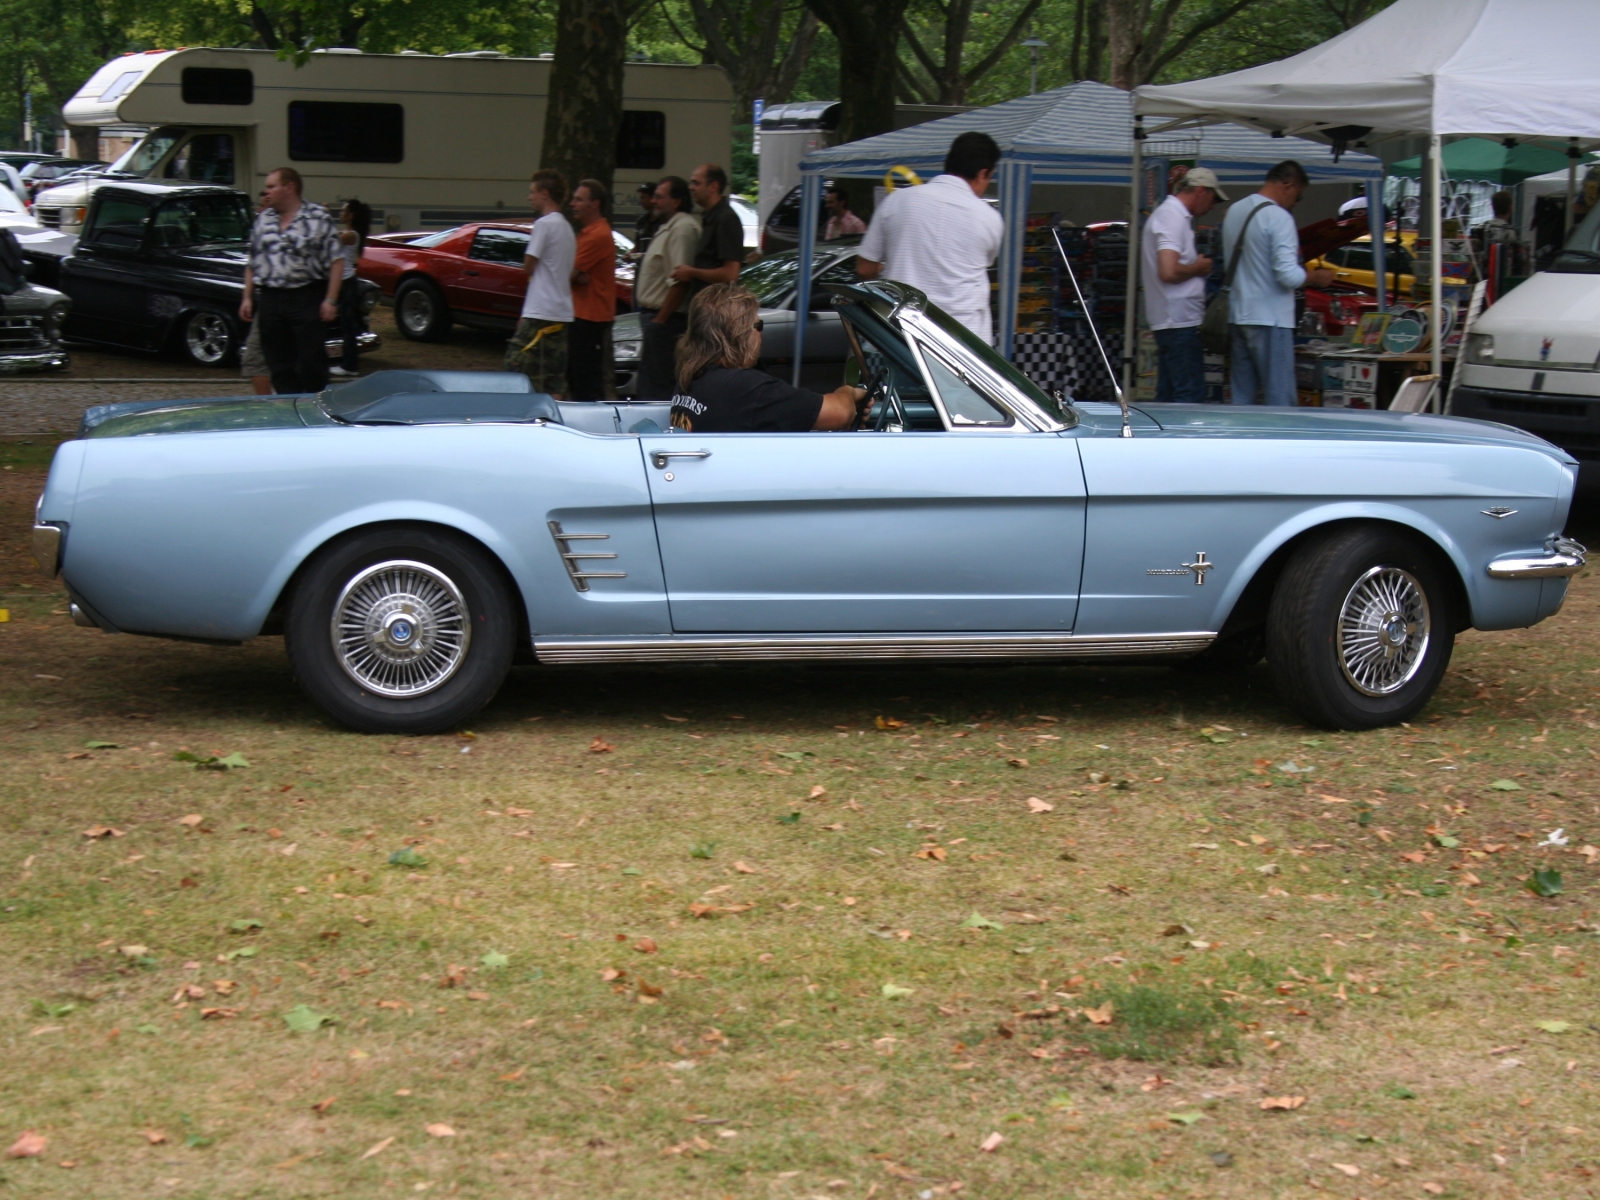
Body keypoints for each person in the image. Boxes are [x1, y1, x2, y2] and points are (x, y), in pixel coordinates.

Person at [857, 131, 1004, 345]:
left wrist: (889, 267)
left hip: (901, 336)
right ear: (983, 173)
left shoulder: (896, 201)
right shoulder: (989, 218)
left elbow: (864, 269)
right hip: (963, 343)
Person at [670, 283, 869, 433]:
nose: (760, 335)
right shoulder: (745, 388)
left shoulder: (692, 378)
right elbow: (839, 414)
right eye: (758, 326)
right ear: (740, 334)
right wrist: (850, 393)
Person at [1220, 160, 1335, 406]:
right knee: (1279, 398)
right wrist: (1315, 277)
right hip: (1271, 318)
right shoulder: (1279, 218)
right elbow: (1288, 276)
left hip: (1238, 314)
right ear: (1288, 186)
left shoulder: (1235, 211)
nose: (1295, 203)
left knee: (1241, 398)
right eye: (1298, 197)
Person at [240, 167, 343, 394]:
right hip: (271, 298)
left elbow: (336, 260)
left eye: (271, 186)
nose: (265, 192)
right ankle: (288, 409)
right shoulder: (263, 219)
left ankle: (316, 409)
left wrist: (331, 300)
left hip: (305, 296)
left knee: (311, 361)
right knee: (279, 363)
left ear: (290, 188)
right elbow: (252, 261)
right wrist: (247, 297)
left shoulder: (317, 217)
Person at [1141, 167, 1225, 404]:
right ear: (1201, 192)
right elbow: (1168, 271)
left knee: (1169, 396)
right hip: (1178, 321)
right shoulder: (1172, 217)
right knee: (1188, 395)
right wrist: (1198, 268)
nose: (1212, 206)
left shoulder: (1170, 216)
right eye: (1213, 199)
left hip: (1171, 320)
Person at [506, 169, 576, 398]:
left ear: (544, 194)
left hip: (540, 311)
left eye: (532, 192)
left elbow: (529, 265)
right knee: (553, 377)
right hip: (562, 312)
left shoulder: (544, 224)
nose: (529, 198)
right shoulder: (567, 228)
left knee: (515, 366)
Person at [633, 175, 700, 399]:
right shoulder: (669, 227)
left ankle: (659, 433)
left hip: (667, 322)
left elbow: (681, 279)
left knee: (656, 389)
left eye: (660, 197)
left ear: (676, 201)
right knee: (651, 383)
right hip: (657, 319)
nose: (654, 201)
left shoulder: (682, 230)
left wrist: (660, 320)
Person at [568, 178, 617, 401]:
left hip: (590, 316)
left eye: (579, 199)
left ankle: (591, 424)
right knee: (577, 375)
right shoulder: (587, 233)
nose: (572, 203)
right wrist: (578, 276)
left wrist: (576, 275)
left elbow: (567, 274)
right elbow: (573, 273)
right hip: (581, 313)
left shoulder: (597, 235)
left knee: (586, 379)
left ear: (594, 204)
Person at [670, 163, 744, 298]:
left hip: (714, 308)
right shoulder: (710, 217)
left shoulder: (726, 219)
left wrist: (692, 272)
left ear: (713, 187)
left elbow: (730, 275)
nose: (690, 188)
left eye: (696, 183)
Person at [330, 198, 371, 379]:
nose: (341, 213)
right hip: (344, 282)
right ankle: (348, 363)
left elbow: (330, 239)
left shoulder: (351, 235)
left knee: (348, 326)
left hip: (347, 283)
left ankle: (350, 365)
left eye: (343, 210)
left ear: (351, 215)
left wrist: (323, 216)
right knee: (345, 325)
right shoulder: (348, 233)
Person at [632, 182, 661, 258]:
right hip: (641, 268)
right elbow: (637, 248)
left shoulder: (664, 222)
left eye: (643, 198)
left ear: (653, 199)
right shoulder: (641, 222)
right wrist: (630, 255)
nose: (640, 201)